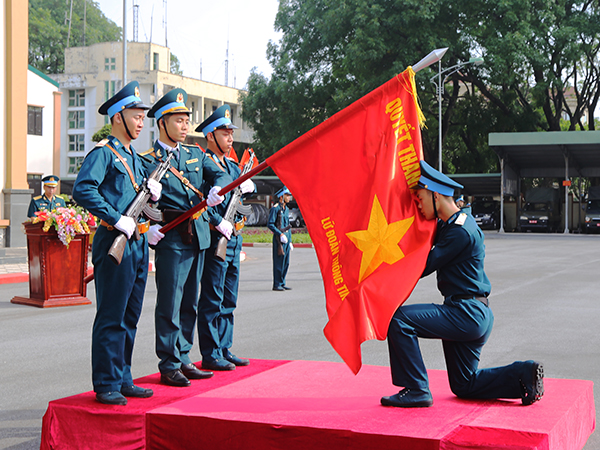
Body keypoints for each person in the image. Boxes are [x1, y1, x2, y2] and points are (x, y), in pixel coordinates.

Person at [382, 160, 544, 408]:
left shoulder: (459, 231)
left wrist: (382, 269)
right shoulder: (455, 223)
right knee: (464, 384)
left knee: (400, 320)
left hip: (466, 313)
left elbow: (421, 267)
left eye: (420, 199)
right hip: (473, 312)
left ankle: (416, 388)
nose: (417, 205)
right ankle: (523, 376)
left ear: (436, 196)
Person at [72, 81, 162, 406]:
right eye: (136, 116)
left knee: (130, 315)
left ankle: (123, 377)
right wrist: (115, 217)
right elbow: (83, 190)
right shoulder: (103, 154)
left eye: (142, 117)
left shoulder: (134, 158)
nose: (141, 122)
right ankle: (106, 382)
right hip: (114, 239)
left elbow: (139, 199)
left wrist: (150, 207)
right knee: (111, 315)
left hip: (136, 243)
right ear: (117, 117)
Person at [142, 88, 231, 387]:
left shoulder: (194, 154)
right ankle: (168, 363)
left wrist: (217, 188)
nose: (184, 126)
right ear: (162, 123)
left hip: (198, 238)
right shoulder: (147, 160)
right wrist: (146, 224)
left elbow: (219, 174)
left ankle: (183, 356)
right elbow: (138, 199)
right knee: (170, 302)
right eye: (178, 120)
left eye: (185, 120)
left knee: (190, 302)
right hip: (170, 238)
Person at [196, 105, 255, 371]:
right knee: (212, 296)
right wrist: (217, 222)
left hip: (234, 239)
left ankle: (225, 346)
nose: (230, 137)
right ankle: (210, 352)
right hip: (216, 238)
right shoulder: (202, 165)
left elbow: (238, 200)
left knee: (229, 298)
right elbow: (198, 202)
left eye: (231, 132)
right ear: (210, 135)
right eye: (224, 133)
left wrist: (247, 187)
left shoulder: (231, 165)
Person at [267, 187, 293, 291]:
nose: (289, 197)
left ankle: (282, 282)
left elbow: (288, 226)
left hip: (286, 237)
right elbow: (270, 224)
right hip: (279, 238)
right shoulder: (275, 208)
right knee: (279, 261)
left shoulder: (286, 209)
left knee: (286, 262)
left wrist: (290, 240)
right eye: (287, 195)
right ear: (281, 197)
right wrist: (280, 234)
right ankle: (277, 284)